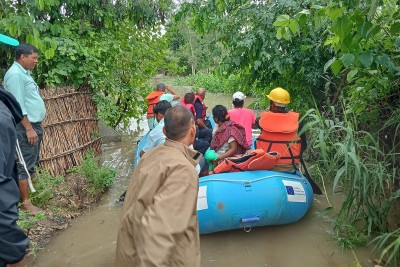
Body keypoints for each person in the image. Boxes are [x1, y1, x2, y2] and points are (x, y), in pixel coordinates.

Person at [116, 106, 201, 267]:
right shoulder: (183, 169)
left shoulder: (148, 156)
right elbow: (159, 235)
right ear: (193, 130)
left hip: (129, 253)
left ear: (163, 131)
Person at [4, 43, 46, 214]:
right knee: (24, 164)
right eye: (34, 58)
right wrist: (28, 128)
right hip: (24, 127)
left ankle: (31, 198)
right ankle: (26, 204)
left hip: (32, 125)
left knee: (32, 160)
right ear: (23, 57)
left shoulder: (24, 73)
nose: (36, 61)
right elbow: (17, 105)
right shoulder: (15, 75)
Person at [255, 87, 305, 172]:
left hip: (266, 165)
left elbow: (259, 121)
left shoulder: (261, 120)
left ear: (272, 104)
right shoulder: (298, 120)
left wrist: (268, 113)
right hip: (289, 166)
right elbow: (304, 145)